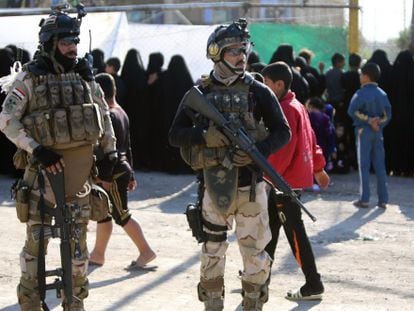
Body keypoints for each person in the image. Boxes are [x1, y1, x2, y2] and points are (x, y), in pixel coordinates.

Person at [168, 18, 291, 310]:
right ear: (217, 53)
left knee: (255, 253)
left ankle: (252, 303)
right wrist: (204, 136)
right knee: (212, 250)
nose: (241, 56)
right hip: (214, 187)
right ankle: (212, 303)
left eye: (243, 49)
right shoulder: (200, 93)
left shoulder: (258, 91)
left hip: (252, 189)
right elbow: (174, 135)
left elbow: (283, 132)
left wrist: (256, 151)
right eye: (233, 50)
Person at [0, 6, 117, 311]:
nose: (73, 48)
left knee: (78, 250)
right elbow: (7, 120)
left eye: (75, 42)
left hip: (79, 181)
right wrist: (36, 149)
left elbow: (103, 115)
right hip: (41, 178)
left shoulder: (84, 77)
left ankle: (74, 302)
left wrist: (111, 153)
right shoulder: (30, 78)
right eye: (66, 43)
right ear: (51, 43)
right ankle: (29, 302)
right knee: (35, 247)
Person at [262, 61, 329, 301]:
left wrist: (264, 175)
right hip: (285, 181)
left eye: (267, 83)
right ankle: (260, 280)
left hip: (283, 183)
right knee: (269, 230)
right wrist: (319, 169)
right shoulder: (295, 104)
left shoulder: (286, 109)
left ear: (279, 84)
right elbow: (312, 139)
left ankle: (313, 284)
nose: (264, 87)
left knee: (294, 234)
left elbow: (283, 150)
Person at [89, 73, 156, 268]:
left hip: (114, 171)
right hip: (121, 168)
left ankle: (146, 251)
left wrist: (105, 176)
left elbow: (114, 150)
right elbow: (129, 146)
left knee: (122, 215)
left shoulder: (109, 115)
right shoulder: (121, 112)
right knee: (104, 213)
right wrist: (132, 173)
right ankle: (98, 254)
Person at [348, 62, 392, 209]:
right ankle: (383, 199)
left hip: (363, 132)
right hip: (378, 132)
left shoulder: (360, 93)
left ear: (366, 76)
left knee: (364, 166)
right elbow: (388, 115)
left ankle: (364, 198)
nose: (360, 77)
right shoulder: (382, 94)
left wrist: (368, 121)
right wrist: (377, 122)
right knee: (380, 166)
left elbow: (352, 111)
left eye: (361, 74)